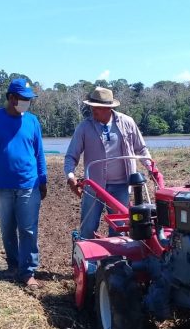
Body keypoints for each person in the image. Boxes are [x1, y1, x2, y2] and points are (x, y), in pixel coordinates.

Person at [0, 78, 47, 288]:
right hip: (2, 185)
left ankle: (28, 271)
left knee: (28, 229)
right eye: (24, 99)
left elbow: (39, 153)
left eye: (29, 99)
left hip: (28, 183)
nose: (27, 103)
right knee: (7, 227)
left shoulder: (32, 121)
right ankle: (13, 265)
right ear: (11, 98)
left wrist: (43, 179)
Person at [64, 86, 153, 239]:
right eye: (92, 106)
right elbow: (71, 156)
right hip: (95, 187)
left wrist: (152, 168)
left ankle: (117, 261)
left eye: (97, 107)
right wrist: (70, 176)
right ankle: (86, 261)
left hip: (121, 186)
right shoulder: (84, 127)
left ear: (108, 108)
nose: (93, 110)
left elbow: (142, 149)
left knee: (120, 229)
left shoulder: (127, 123)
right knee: (88, 229)